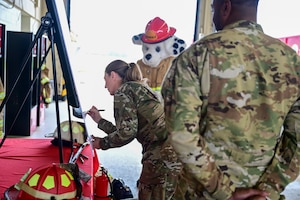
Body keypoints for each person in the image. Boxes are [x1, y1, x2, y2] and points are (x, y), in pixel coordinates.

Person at [161, 0, 300, 199]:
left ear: (225, 7)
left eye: (213, 8)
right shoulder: (292, 61)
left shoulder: (197, 55)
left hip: (202, 194)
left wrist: (225, 192)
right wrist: (267, 190)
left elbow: (182, 134)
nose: (214, 14)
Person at [87, 59, 183, 200]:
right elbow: (127, 129)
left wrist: (101, 143)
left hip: (161, 153)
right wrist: (100, 121)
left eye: (105, 79)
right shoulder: (137, 87)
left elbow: (127, 133)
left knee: (149, 194)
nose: (104, 86)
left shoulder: (123, 91)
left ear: (113, 75)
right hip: (174, 149)